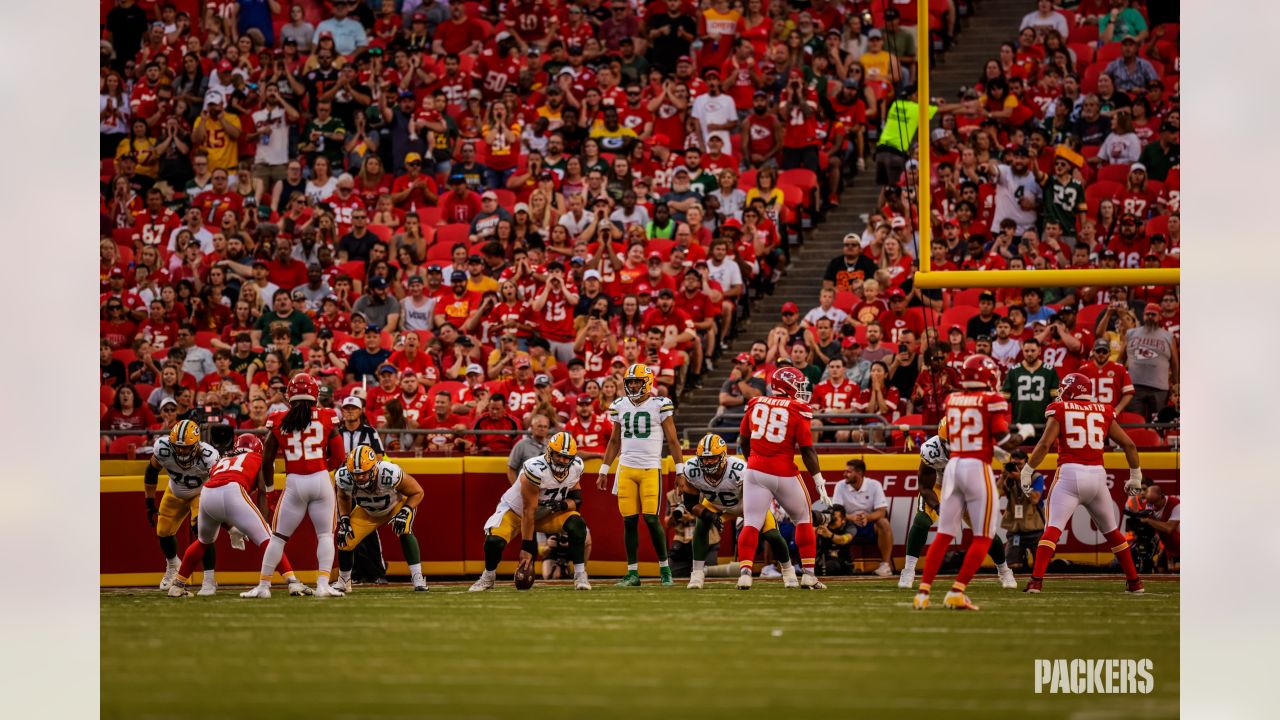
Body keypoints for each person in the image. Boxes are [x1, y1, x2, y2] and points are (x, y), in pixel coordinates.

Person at [913, 355, 1030, 611]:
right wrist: (1025, 433)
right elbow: (1003, 440)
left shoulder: (951, 399)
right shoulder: (991, 399)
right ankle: (957, 591)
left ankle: (923, 593)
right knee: (983, 535)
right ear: (987, 376)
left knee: (944, 533)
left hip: (954, 466)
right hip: (977, 466)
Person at [1020, 373, 1146, 594]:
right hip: (1097, 476)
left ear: (1072, 390)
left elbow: (1044, 444)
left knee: (1053, 529)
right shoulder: (1105, 410)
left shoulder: (1060, 409)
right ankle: (1135, 582)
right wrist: (1136, 477)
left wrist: (1028, 469)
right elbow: (1130, 445)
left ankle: (1036, 582)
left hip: (1069, 474)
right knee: (1113, 532)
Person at [165, 434, 311, 598]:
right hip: (233, 490)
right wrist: (263, 523)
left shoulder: (221, 460)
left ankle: (177, 586)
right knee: (269, 539)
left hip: (206, 493)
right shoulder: (258, 458)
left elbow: (220, 497)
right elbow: (263, 492)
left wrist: (232, 527)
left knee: (203, 542)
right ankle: (293, 582)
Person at [242, 374, 346, 598]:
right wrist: (319, 466)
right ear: (315, 394)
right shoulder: (328, 416)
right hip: (320, 480)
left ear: (289, 395)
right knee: (326, 535)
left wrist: (268, 490)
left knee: (278, 537)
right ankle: (322, 585)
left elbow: (267, 461)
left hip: (294, 482)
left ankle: (264, 586)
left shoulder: (279, 418)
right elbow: (339, 458)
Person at [735, 366, 833, 590]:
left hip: (756, 470)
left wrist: (753, 460)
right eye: (797, 386)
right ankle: (808, 575)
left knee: (751, 521)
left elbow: (743, 439)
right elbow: (807, 449)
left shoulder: (756, 403)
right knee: (804, 518)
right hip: (783, 471)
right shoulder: (798, 408)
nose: (800, 390)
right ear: (787, 386)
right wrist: (818, 480)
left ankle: (745, 573)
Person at [597, 364, 686, 587]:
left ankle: (665, 569)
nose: (634, 385)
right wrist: (604, 469)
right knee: (629, 521)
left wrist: (680, 470)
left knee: (651, 519)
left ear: (647, 382)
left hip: (650, 469)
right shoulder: (619, 405)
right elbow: (614, 441)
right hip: (626, 468)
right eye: (630, 382)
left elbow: (673, 440)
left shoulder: (659, 405)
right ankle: (632, 572)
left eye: (637, 381)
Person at [470, 432, 592, 591]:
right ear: (549, 452)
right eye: (558, 456)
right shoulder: (535, 468)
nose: (562, 461)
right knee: (494, 542)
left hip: (546, 513)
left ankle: (580, 575)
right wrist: (526, 550)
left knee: (577, 524)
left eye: (566, 457)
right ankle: (488, 576)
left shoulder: (575, 467)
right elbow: (529, 512)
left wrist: (562, 506)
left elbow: (576, 500)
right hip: (516, 511)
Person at [898, 435, 1017, 590]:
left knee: (986, 532)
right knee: (921, 520)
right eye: (948, 443)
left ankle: (1004, 571)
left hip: (966, 487)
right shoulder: (931, 450)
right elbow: (925, 487)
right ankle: (908, 570)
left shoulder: (976, 445)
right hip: (938, 486)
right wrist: (940, 508)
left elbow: (1003, 456)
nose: (952, 447)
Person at [677, 433, 793, 589]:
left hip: (747, 503)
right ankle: (697, 574)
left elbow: (754, 499)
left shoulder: (739, 470)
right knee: (702, 522)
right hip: (715, 503)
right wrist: (708, 514)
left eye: (712, 457)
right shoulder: (691, 469)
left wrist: (748, 517)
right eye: (704, 458)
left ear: (723, 456)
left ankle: (788, 571)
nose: (708, 462)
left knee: (772, 534)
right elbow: (690, 503)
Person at [332, 446, 428, 593]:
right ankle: (344, 580)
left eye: (364, 473)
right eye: (356, 474)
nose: (360, 477)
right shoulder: (343, 476)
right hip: (367, 511)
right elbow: (343, 496)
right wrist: (344, 519)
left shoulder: (389, 472)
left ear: (374, 468)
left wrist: (405, 511)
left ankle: (418, 577)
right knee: (345, 539)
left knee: (404, 529)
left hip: (394, 506)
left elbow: (417, 491)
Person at [144, 420, 221, 593]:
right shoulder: (162, 448)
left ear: (196, 444)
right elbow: (151, 471)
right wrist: (149, 502)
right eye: (178, 446)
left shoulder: (208, 455)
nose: (181, 450)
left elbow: (218, 479)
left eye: (186, 447)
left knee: (203, 531)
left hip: (201, 492)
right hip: (176, 491)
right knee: (162, 531)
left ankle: (209, 579)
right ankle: (172, 566)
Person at [828, 459, 893, 577]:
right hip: (847, 523)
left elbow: (882, 512)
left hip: (868, 523)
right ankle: (833, 563)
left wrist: (867, 517)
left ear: (859, 473)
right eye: (845, 471)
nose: (844, 474)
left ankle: (885, 565)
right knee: (833, 522)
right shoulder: (840, 485)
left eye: (848, 472)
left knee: (884, 523)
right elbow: (836, 512)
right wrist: (850, 517)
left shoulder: (874, 485)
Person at [1120, 303, 1179, 420]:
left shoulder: (1168, 336)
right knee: (1135, 422)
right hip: (1134, 386)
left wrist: (1176, 383)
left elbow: (1175, 363)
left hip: (1159, 388)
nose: (1150, 317)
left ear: (1160, 317)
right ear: (1143, 316)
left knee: (1158, 423)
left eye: (1153, 314)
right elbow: (1121, 358)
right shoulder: (1131, 333)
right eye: (1148, 314)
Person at [998, 449, 1045, 572]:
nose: (1016, 468)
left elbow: (1035, 498)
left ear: (1026, 464)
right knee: (1012, 567)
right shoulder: (1008, 478)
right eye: (1013, 464)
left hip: (1035, 527)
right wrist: (1003, 477)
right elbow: (996, 494)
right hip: (1016, 528)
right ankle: (1021, 556)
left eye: (1019, 465)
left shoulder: (1036, 477)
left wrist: (1021, 479)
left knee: (1041, 566)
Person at [507, 414, 551, 484]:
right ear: (532, 427)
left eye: (545, 427)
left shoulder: (551, 446)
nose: (542, 429)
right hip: (525, 487)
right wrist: (516, 488)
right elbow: (511, 469)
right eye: (539, 426)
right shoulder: (521, 445)